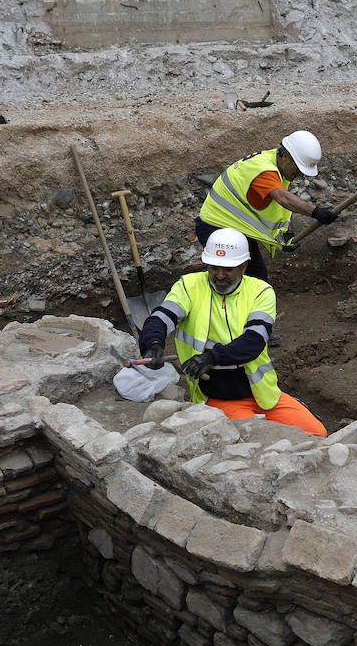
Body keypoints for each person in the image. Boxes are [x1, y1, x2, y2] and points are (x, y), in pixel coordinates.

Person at [139, 229, 327, 436]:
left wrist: (211, 357)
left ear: (243, 266)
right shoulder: (188, 286)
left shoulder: (260, 291)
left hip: (264, 393)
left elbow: (254, 341)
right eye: (213, 268)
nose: (219, 276)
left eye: (228, 269)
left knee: (317, 433)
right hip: (218, 396)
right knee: (256, 441)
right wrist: (153, 345)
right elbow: (161, 318)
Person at [196, 129, 337, 283]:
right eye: (299, 169)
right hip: (216, 227)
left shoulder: (280, 168)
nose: (302, 175)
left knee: (256, 279)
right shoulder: (263, 169)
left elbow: (280, 207)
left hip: (237, 226)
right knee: (230, 279)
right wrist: (316, 212)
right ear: (285, 157)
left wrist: (286, 235)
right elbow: (283, 198)